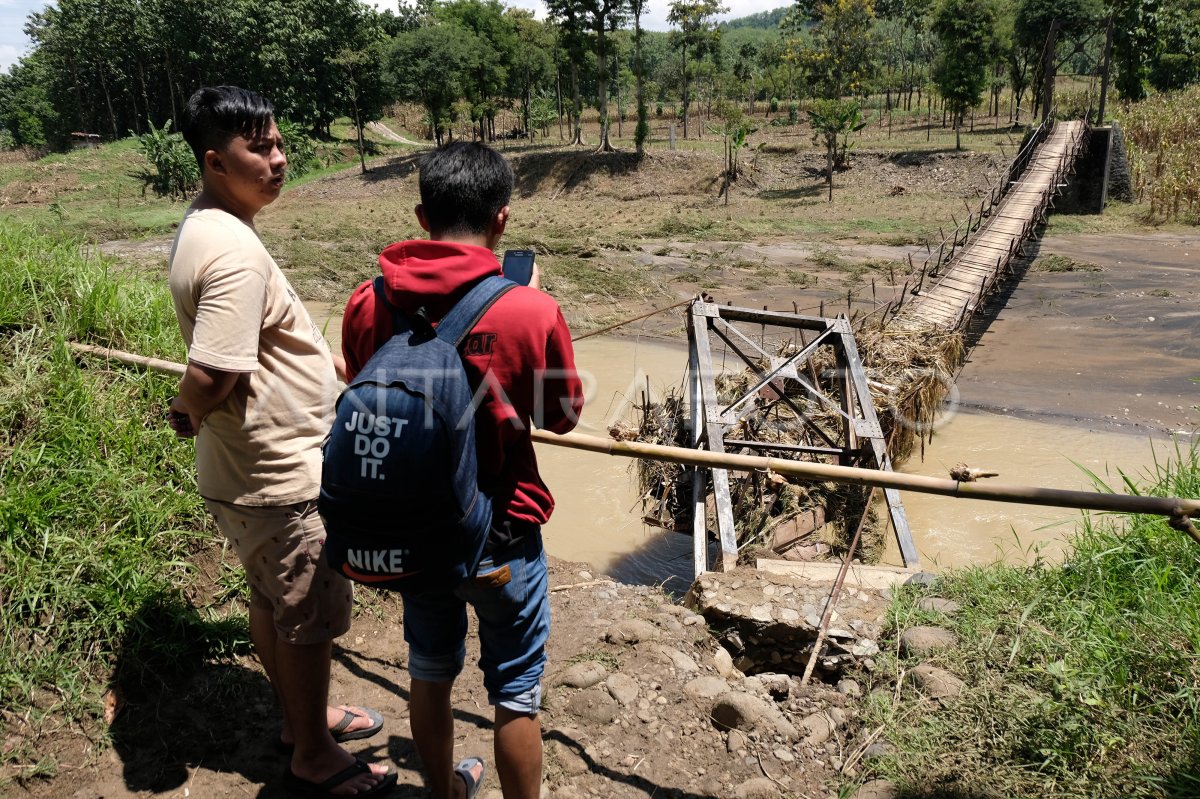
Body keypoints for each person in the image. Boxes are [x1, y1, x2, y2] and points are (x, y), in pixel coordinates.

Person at [166, 85, 396, 798]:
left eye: (277, 142)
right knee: (307, 618)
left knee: (272, 602)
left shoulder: (210, 222)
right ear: (214, 160)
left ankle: (306, 721)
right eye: (258, 148)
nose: (278, 158)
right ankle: (315, 756)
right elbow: (214, 368)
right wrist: (184, 409)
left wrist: (323, 364)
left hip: (246, 472)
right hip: (281, 477)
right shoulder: (233, 250)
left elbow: (254, 343)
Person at [340, 141, 584, 799]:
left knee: (429, 667)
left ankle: (445, 792)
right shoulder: (529, 310)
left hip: (415, 531)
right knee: (515, 688)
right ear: (501, 220)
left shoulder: (367, 302)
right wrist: (532, 310)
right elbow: (562, 414)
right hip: (502, 535)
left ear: (422, 216)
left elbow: (361, 381)